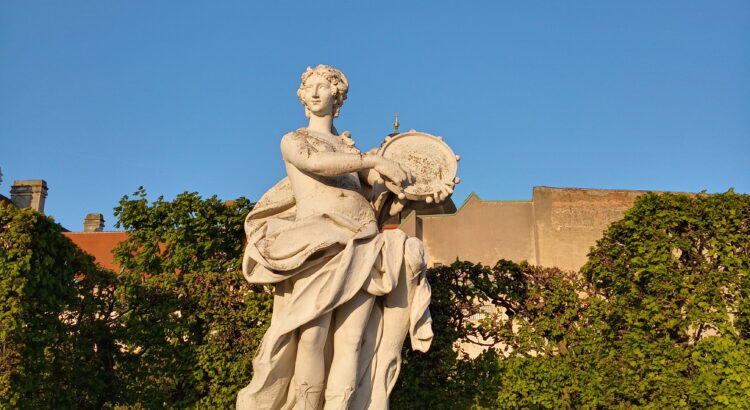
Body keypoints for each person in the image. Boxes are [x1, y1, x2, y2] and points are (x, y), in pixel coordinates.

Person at [237, 65, 433, 410]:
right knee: (311, 336)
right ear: (301, 96)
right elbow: (317, 163)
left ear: (337, 96)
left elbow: (379, 202)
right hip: (320, 244)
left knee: (352, 340)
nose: (315, 93)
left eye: (323, 88)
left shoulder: (349, 150)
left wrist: (409, 192)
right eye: (310, 87)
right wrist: (372, 160)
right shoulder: (296, 140)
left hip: (363, 244)